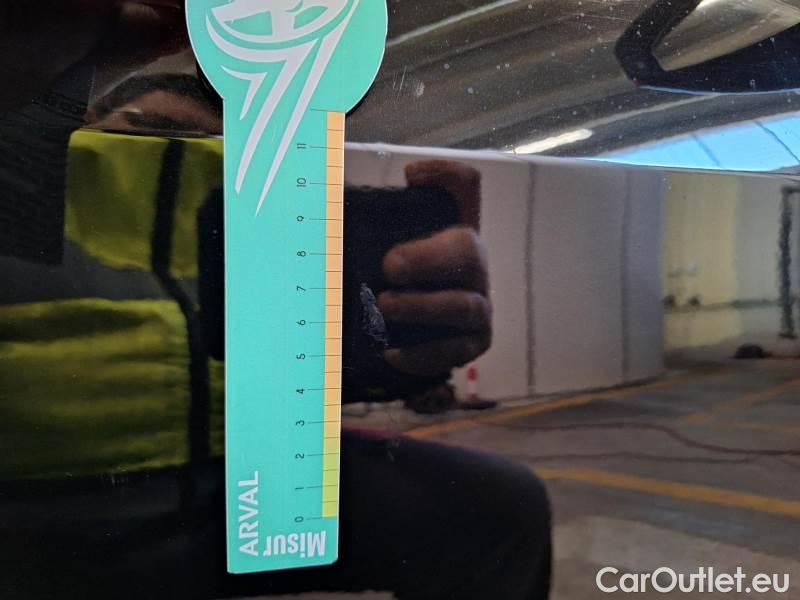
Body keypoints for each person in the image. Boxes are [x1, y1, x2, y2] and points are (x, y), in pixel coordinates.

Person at [0, 4, 552, 599]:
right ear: (87, 122)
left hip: (241, 471)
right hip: (42, 496)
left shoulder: (271, 222)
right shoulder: (23, 200)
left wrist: (395, 359)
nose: (182, 154)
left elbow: (311, 374)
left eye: (214, 148)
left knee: (502, 501)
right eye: (149, 129)